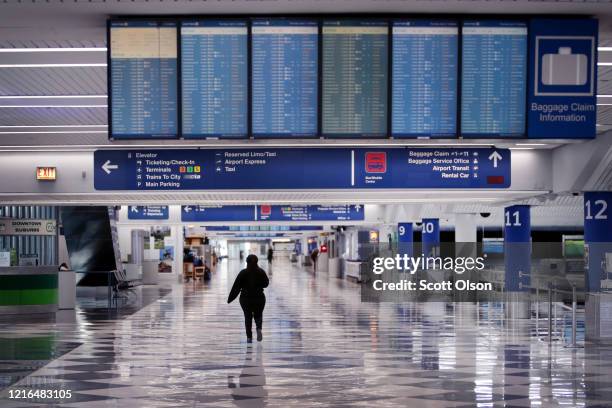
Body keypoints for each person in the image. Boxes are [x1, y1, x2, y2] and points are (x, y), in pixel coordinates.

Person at [228, 255, 269, 343]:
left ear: (247, 262)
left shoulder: (243, 272)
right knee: (258, 314)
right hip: (259, 297)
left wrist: (231, 298)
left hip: (245, 298)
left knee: (248, 316)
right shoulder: (261, 272)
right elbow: (266, 284)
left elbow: (236, 286)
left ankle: (249, 337)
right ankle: (258, 328)